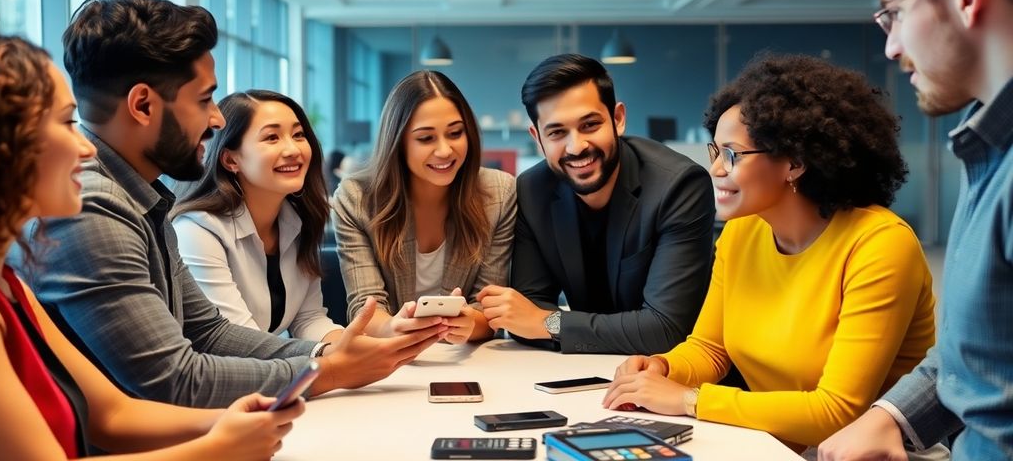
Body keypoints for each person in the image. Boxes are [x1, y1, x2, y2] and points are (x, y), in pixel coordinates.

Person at [12, 0, 442, 408]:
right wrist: (324, 371)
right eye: (204, 100)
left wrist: (332, 357)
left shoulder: (143, 197)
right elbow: (175, 380)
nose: (216, 119)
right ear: (143, 105)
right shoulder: (93, 207)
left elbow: (210, 333)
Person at [600, 54, 936, 455]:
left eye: (732, 155)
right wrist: (663, 367)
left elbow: (838, 411)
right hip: (773, 444)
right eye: (715, 152)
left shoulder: (880, 244)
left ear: (794, 162)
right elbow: (710, 348)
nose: (715, 171)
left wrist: (688, 400)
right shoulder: (742, 231)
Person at [0, 33, 303, 460]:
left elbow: (114, 414)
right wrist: (217, 447)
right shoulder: (94, 208)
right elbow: (168, 382)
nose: (84, 145)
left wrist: (229, 422)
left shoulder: (10, 285)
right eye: (65, 123)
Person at [819, 0, 1013, 460]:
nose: (891, 47)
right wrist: (893, 416)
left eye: (895, 13)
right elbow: (978, 356)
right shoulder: (987, 147)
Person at [478, 53, 713, 355]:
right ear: (538, 139)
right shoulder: (533, 189)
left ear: (618, 119)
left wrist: (549, 323)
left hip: (672, 374)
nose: (577, 147)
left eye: (590, 125)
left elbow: (666, 330)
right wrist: (539, 321)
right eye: (557, 132)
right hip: (582, 371)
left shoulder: (679, 186)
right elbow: (526, 317)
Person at [332, 70, 516, 345]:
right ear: (398, 142)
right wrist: (395, 326)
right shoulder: (357, 198)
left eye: (455, 133)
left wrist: (469, 323)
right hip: (389, 361)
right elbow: (366, 308)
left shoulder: (498, 193)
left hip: (467, 361)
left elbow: (487, 310)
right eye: (426, 138)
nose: (445, 151)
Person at [173, 90, 343, 342]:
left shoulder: (299, 220)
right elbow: (237, 338)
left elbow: (309, 319)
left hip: (271, 369)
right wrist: (332, 356)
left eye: (298, 135)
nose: (293, 149)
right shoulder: (196, 230)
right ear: (231, 160)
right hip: (221, 375)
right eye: (272, 137)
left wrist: (352, 346)